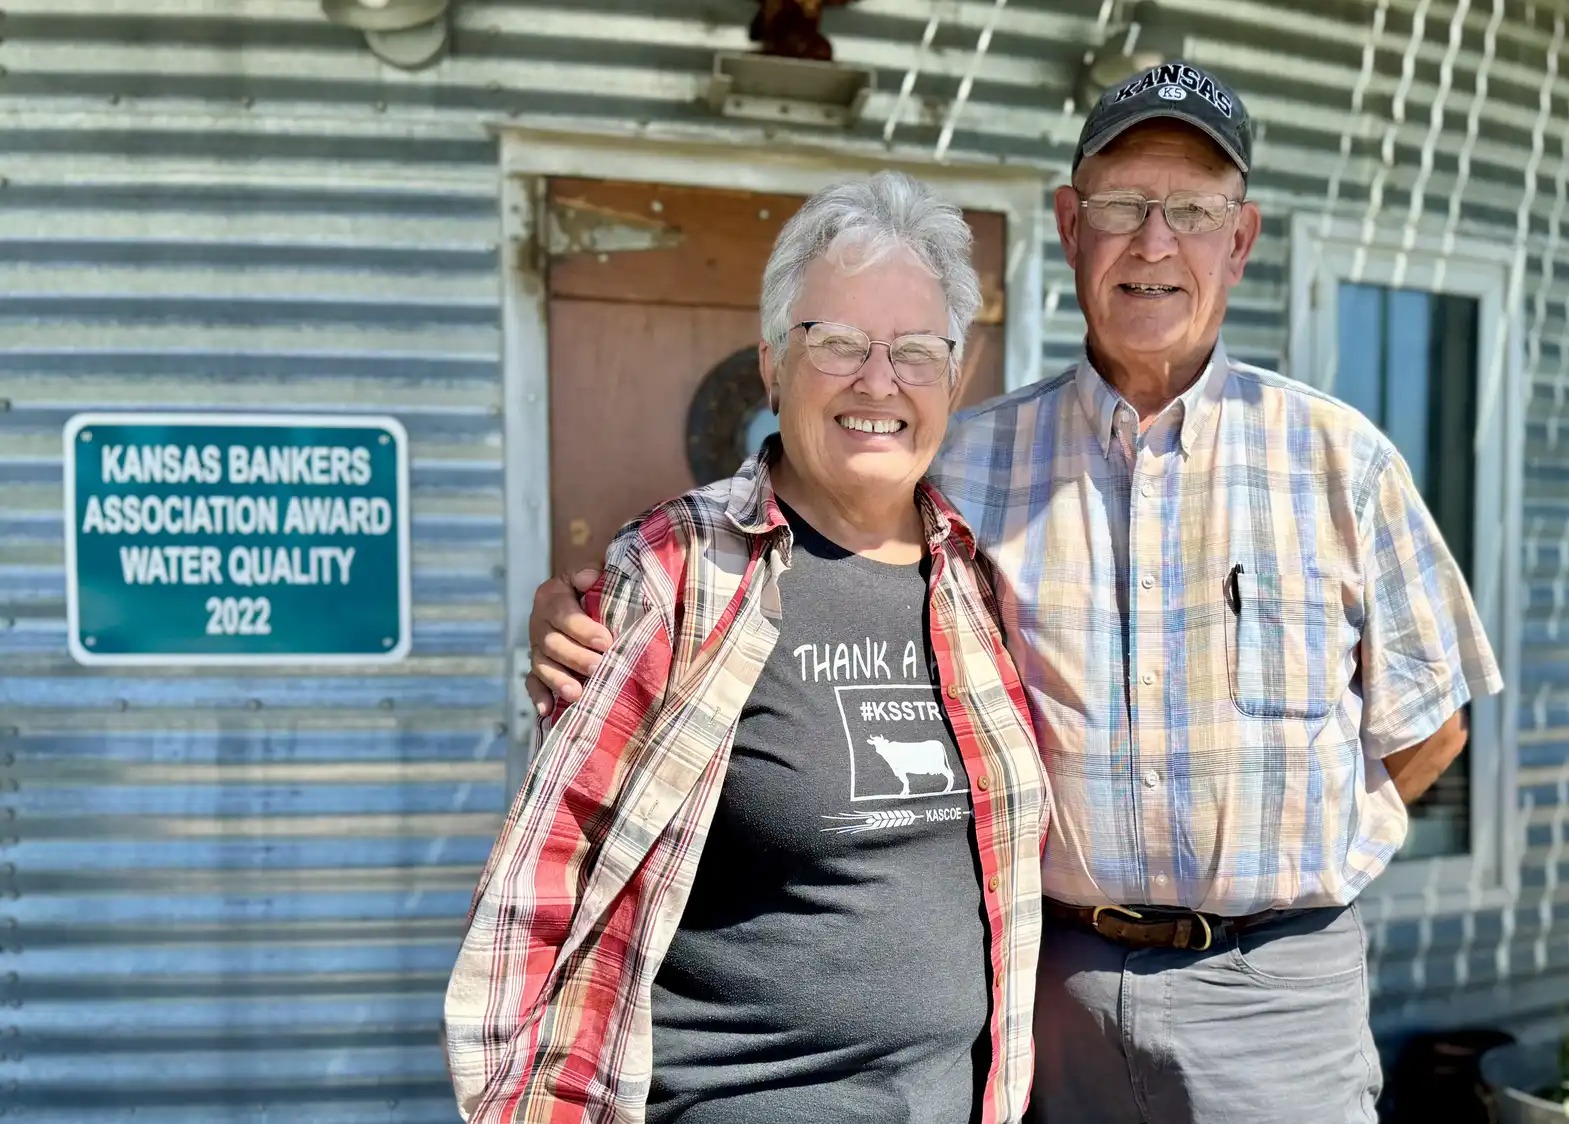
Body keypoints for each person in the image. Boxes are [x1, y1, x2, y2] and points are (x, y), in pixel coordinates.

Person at [523, 63, 1502, 1123]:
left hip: (1273, 999)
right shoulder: (965, 467)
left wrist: (1292, 864)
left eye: (1192, 210)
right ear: (1070, 223)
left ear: (1242, 237)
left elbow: (1430, 727)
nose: (1154, 242)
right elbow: (797, 511)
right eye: (1122, 205)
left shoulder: (1338, 461)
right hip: (1047, 994)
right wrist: (587, 599)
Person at [445, 172, 1049, 1124]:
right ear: (771, 362)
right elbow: (554, 867)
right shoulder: (682, 569)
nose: (878, 382)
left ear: (956, 376)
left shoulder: (974, 581)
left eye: (914, 351)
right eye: (839, 343)